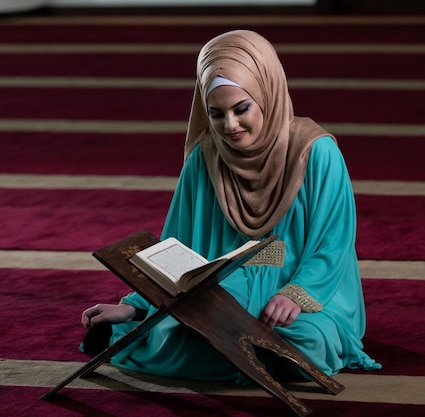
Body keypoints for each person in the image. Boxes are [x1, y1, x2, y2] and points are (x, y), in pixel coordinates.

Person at [80, 29, 381, 382]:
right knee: (181, 336)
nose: (230, 126)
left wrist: (295, 296)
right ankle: (185, 337)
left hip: (303, 287)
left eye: (241, 109)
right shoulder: (205, 158)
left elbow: (333, 244)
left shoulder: (315, 152)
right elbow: (175, 249)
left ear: (267, 93)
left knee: (308, 342)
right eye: (216, 114)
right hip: (223, 288)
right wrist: (136, 304)